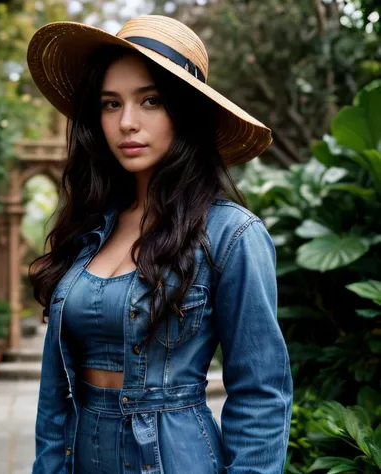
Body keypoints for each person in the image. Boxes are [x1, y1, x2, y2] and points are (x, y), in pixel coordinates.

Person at [27, 14, 293, 474]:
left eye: (149, 100)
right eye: (111, 104)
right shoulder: (87, 230)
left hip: (176, 457)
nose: (127, 123)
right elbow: (55, 395)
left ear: (185, 111)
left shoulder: (231, 235)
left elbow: (261, 392)